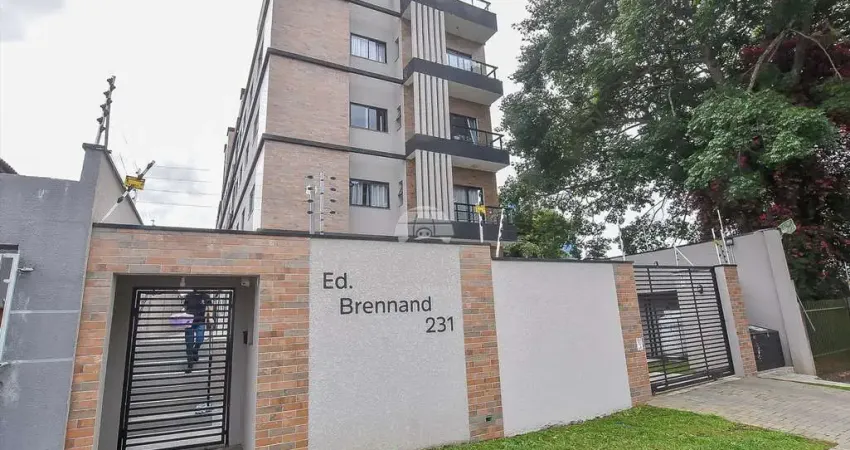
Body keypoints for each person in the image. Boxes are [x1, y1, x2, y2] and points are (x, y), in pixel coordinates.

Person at [183, 291, 209, 373]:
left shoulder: (205, 296)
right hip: (189, 322)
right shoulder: (189, 296)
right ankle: (190, 364)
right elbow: (185, 307)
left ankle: (195, 350)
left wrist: (210, 317)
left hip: (200, 321)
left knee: (200, 339)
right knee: (189, 343)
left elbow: (209, 308)